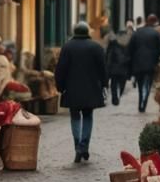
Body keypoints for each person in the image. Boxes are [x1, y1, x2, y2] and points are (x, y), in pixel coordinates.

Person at [54, 21, 107, 163]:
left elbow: (60, 70)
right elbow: (103, 68)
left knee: (75, 117)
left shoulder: (67, 47)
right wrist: (104, 84)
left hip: (72, 89)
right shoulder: (96, 47)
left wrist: (60, 86)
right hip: (91, 88)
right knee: (88, 116)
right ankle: (84, 145)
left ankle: (78, 144)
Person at [129, 14, 160, 113]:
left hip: (138, 63)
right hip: (151, 63)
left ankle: (141, 101)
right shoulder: (155, 33)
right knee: (148, 84)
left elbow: (130, 49)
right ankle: (143, 102)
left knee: (140, 85)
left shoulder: (137, 33)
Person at [103, 21, 130, 106]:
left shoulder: (113, 42)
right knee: (122, 83)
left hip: (114, 67)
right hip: (124, 67)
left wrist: (107, 65)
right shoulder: (128, 43)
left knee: (114, 83)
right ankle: (119, 95)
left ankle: (115, 98)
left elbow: (109, 55)